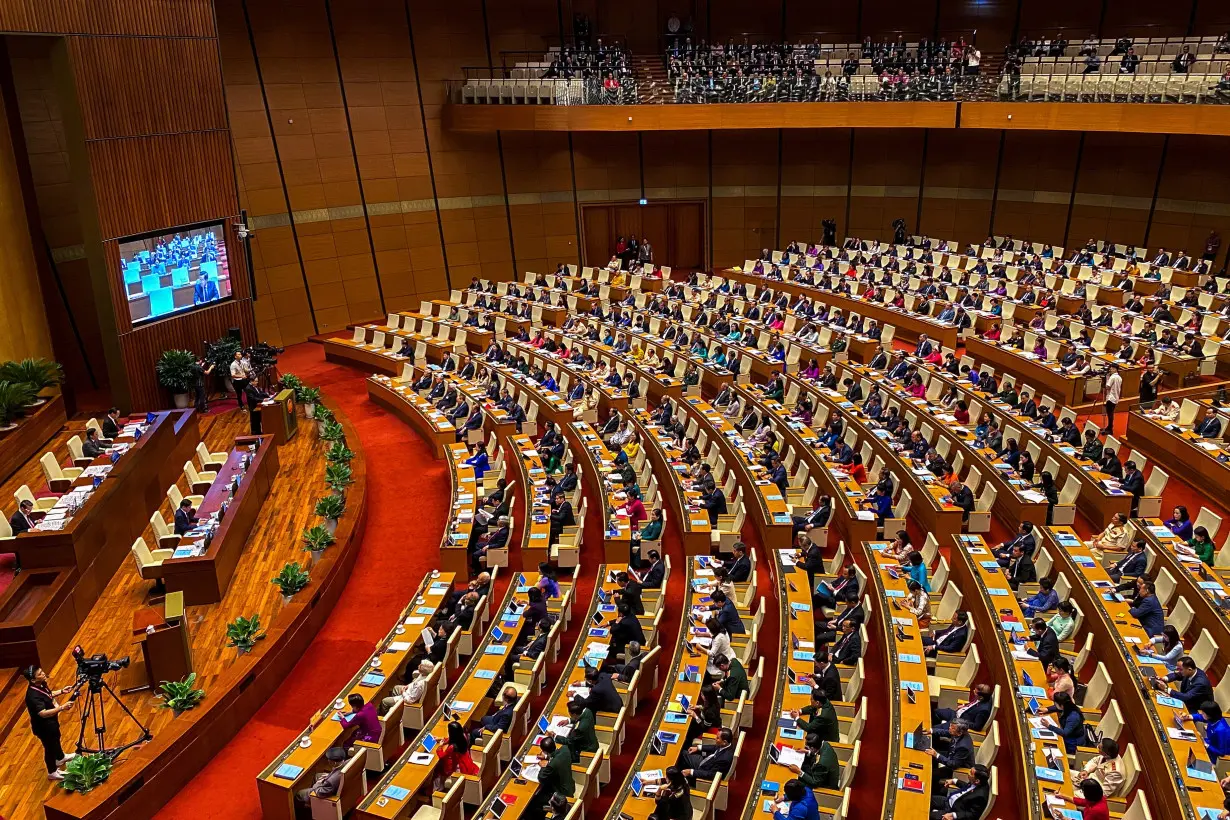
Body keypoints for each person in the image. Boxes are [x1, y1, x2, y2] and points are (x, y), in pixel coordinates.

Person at [23, 665, 77, 780]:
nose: (43, 674)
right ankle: (52, 771)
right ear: (33, 680)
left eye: (42, 672)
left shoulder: (41, 684)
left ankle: (60, 757)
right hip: (43, 726)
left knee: (56, 738)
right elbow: (43, 713)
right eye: (40, 674)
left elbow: (48, 694)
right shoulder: (32, 696)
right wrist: (61, 708)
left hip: (51, 722)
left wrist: (62, 691)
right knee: (49, 747)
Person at [526, 736, 574, 820]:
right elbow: (557, 757)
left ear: (544, 751)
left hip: (562, 793)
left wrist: (543, 766)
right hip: (570, 786)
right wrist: (547, 757)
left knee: (533, 802)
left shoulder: (552, 765)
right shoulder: (565, 749)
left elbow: (541, 777)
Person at [326, 693, 381, 761]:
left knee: (346, 744)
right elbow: (360, 710)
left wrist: (343, 718)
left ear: (355, 706)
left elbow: (346, 725)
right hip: (377, 730)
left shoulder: (360, 715)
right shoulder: (369, 705)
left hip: (370, 736)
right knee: (354, 733)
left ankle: (348, 761)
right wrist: (350, 712)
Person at [435, 720, 480, 785]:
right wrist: (442, 739)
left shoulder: (452, 747)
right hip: (467, 762)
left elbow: (442, 756)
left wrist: (440, 746)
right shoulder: (464, 736)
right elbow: (452, 739)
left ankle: (438, 788)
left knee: (439, 768)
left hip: (460, 769)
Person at [1102, 364, 1122, 433]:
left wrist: (1106, 379)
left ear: (1116, 369)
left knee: (1110, 414)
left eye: (1112, 368)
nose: (1110, 369)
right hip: (1115, 397)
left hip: (1110, 398)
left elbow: (1107, 386)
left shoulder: (1112, 377)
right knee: (1111, 414)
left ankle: (1110, 429)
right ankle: (1108, 427)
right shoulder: (1119, 377)